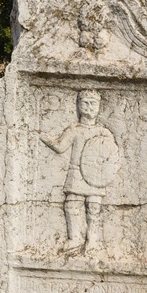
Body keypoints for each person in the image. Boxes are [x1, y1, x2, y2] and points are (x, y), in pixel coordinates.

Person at [38, 90, 118, 252]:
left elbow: (111, 157)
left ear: (99, 106)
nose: (89, 107)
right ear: (78, 106)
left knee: (94, 208)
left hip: (97, 174)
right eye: (85, 103)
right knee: (72, 205)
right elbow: (60, 147)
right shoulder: (74, 129)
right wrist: (43, 136)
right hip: (76, 173)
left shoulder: (103, 132)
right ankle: (75, 238)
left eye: (93, 103)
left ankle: (93, 241)